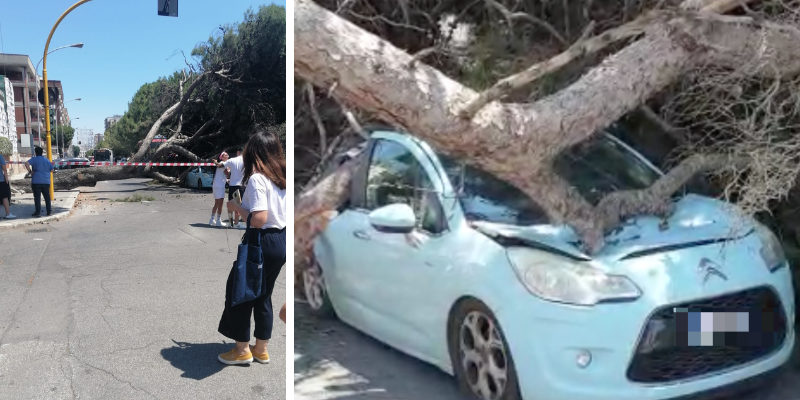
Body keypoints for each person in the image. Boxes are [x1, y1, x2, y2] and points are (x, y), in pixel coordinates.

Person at [217, 131, 286, 365]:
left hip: (261, 240)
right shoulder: (283, 179)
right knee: (263, 295)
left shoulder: (258, 179)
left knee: (240, 293)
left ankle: (241, 350)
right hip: (281, 241)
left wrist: (236, 207)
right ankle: (261, 349)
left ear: (253, 153)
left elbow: (259, 218)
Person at [218, 147, 245, 229]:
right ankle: (236, 223)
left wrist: (215, 162)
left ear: (237, 152)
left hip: (232, 185)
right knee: (238, 205)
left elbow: (220, 165)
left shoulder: (232, 160)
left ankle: (231, 223)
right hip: (240, 185)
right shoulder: (246, 161)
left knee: (230, 205)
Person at [25, 147, 54, 218]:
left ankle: (38, 212)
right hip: (46, 181)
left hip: (36, 181)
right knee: (47, 197)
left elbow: (26, 163)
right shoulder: (47, 160)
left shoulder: (34, 159)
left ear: (35, 152)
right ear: (42, 152)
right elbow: (52, 169)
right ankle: (49, 211)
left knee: (37, 197)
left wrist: (30, 171)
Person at [209, 151, 230, 227]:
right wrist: (230, 170)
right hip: (219, 186)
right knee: (220, 203)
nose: (228, 156)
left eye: (227, 155)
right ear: (222, 157)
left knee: (217, 203)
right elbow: (227, 173)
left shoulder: (222, 164)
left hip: (217, 185)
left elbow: (224, 176)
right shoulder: (222, 164)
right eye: (226, 155)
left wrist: (226, 180)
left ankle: (212, 220)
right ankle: (218, 220)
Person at [0, 154, 16, 219]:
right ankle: (8, 213)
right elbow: (4, 168)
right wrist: (6, 179)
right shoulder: (0, 156)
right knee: (5, 197)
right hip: (1, 180)